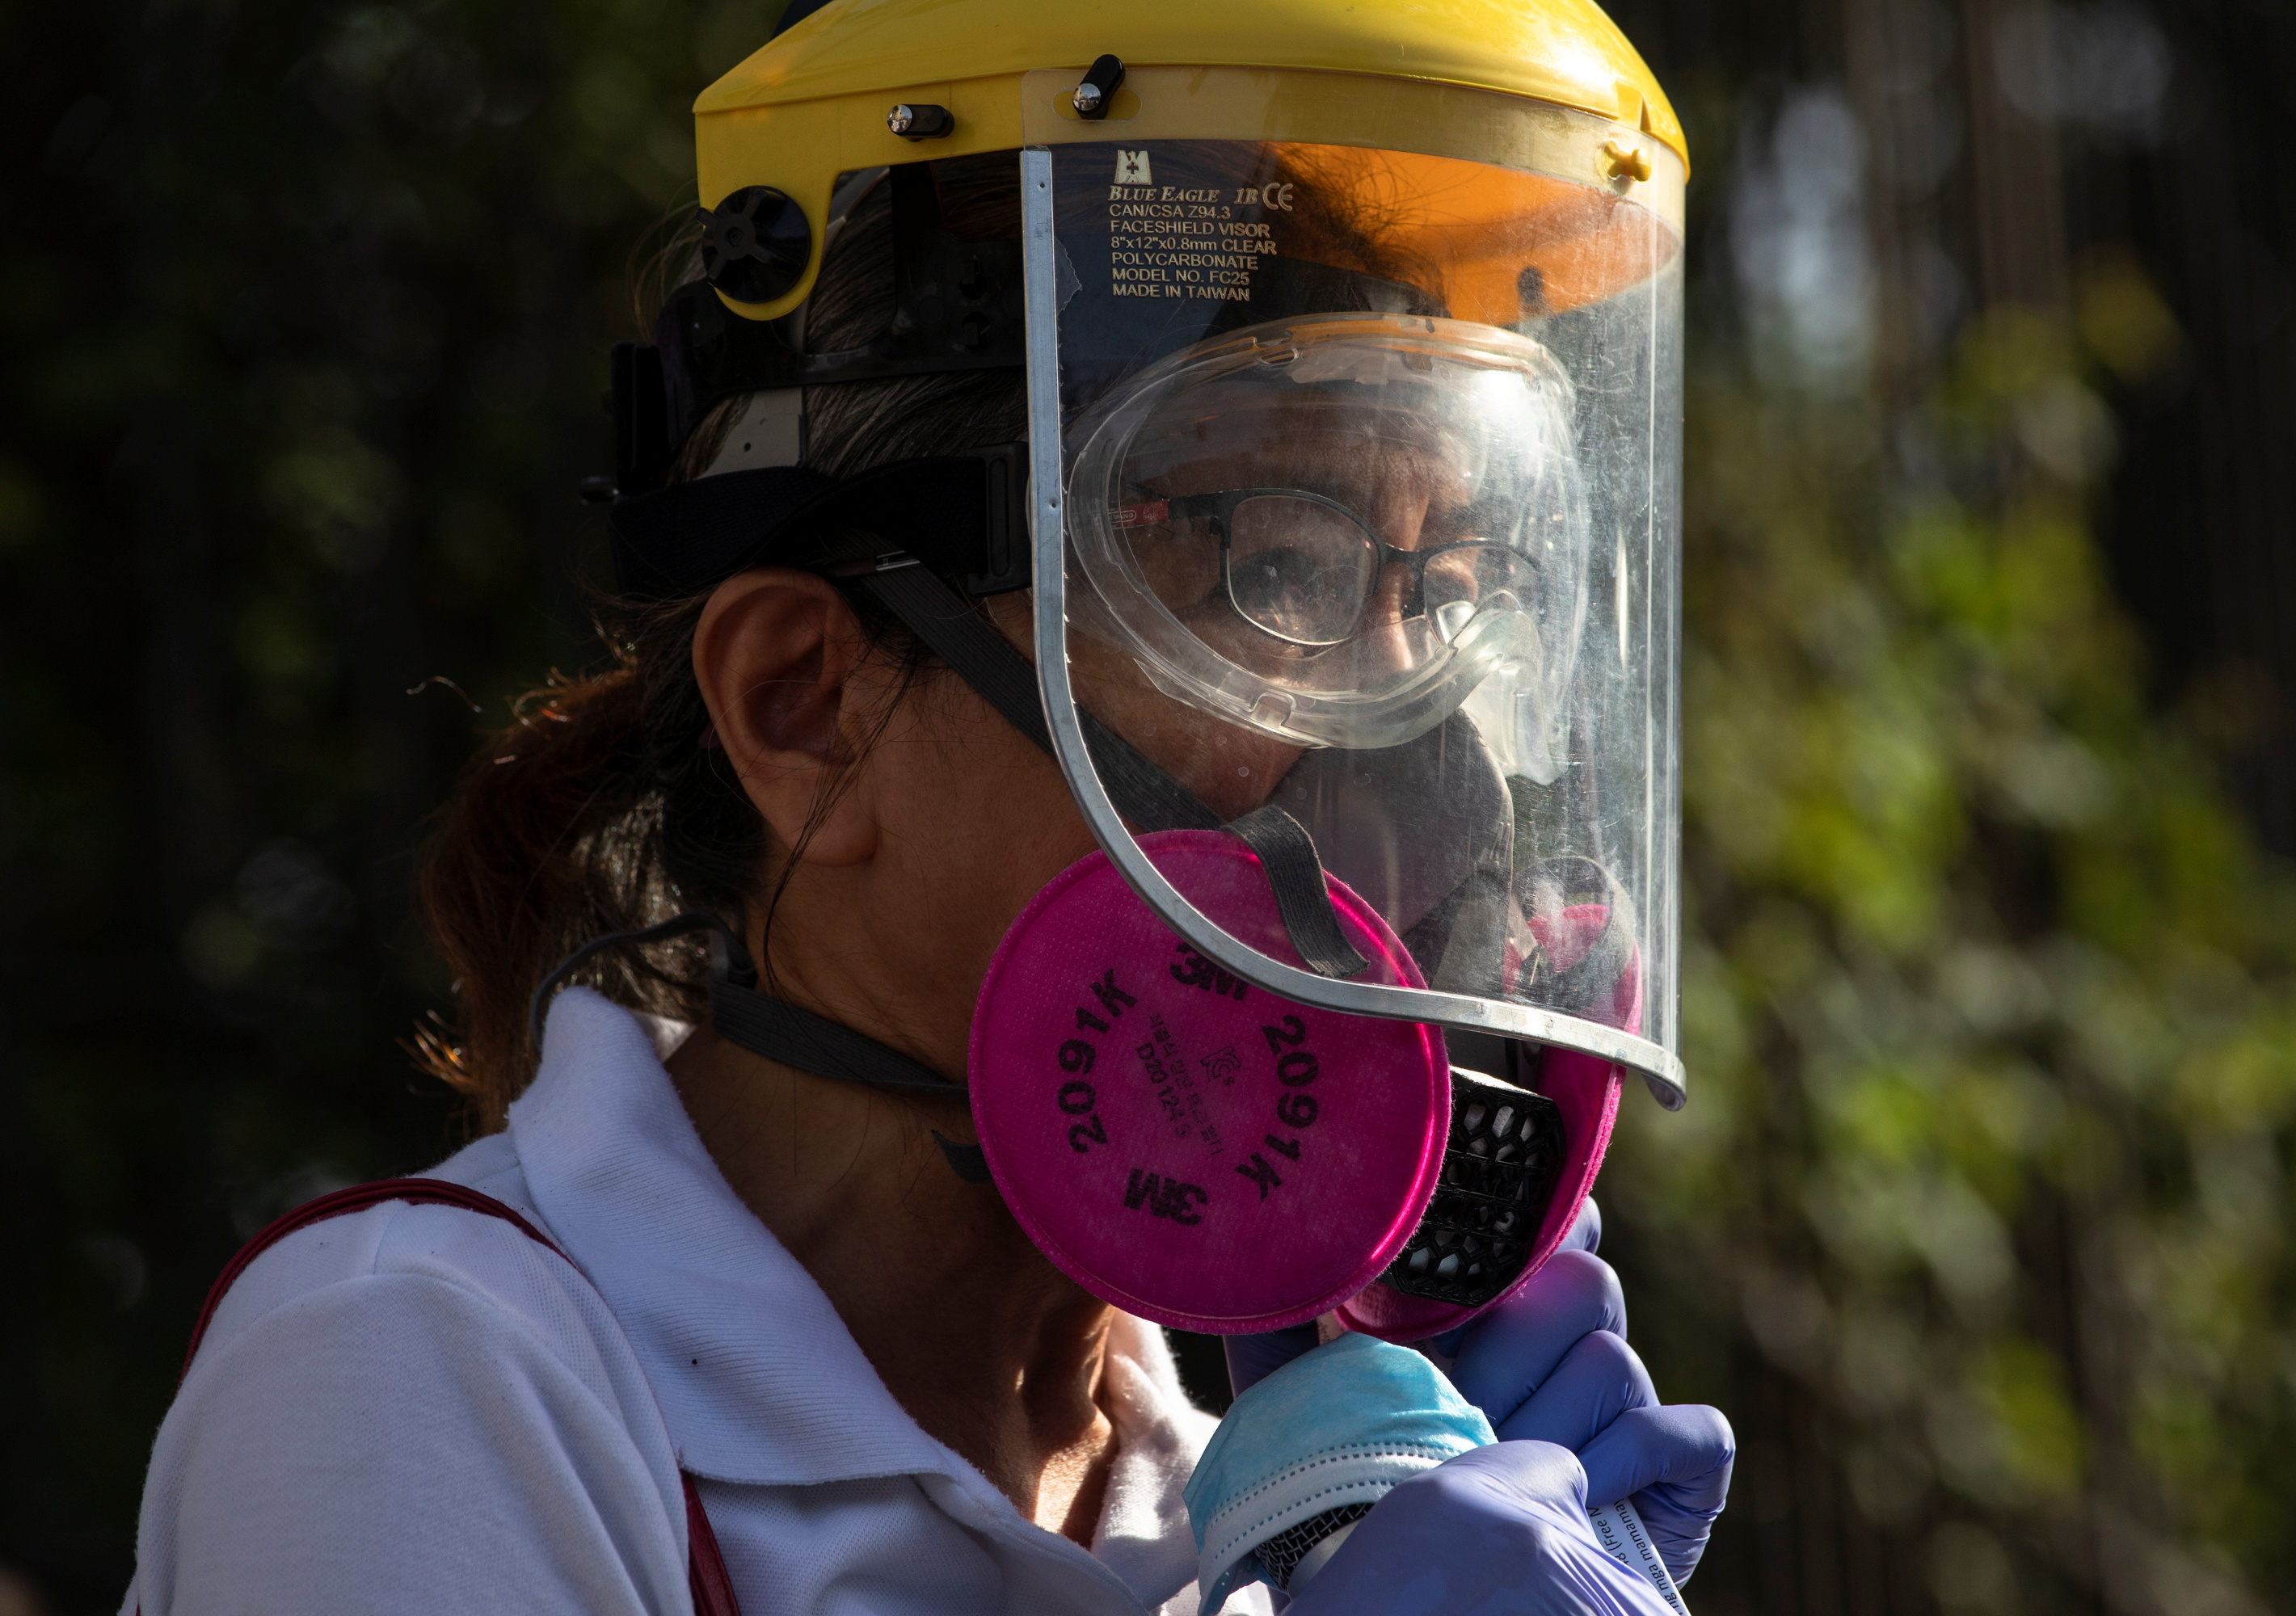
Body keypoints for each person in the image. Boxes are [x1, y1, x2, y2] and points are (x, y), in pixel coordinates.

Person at [121, 1, 1733, 1612]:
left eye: (1447, 592)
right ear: (807, 709)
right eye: (1276, 567)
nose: (1427, 770)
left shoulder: (1245, 1515)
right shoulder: (425, 1371)